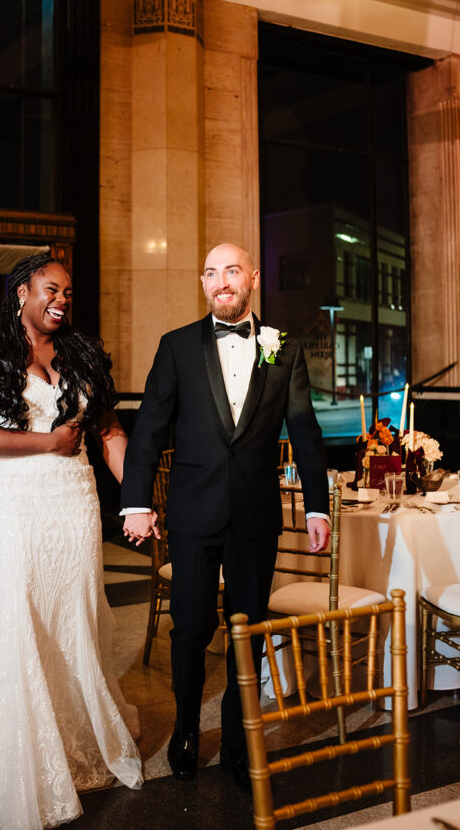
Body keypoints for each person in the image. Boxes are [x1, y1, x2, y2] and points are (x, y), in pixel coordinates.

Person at [120, 242, 330, 790]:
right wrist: (137, 502)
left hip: (256, 515)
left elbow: (304, 431)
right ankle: (186, 731)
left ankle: (239, 739)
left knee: (248, 628)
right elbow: (149, 430)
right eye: (210, 274)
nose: (220, 282)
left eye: (231, 271)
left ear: (252, 278)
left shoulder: (281, 346)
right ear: (203, 283)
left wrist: (316, 506)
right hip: (192, 512)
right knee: (190, 629)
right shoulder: (177, 346)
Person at [0, 252, 143, 830]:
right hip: (8, 499)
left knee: (71, 614)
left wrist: (137, 492)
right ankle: (19, 762)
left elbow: (108, 429)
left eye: (67, 292)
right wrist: (45, 444)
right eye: (50, 289)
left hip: (73, 499)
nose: (61, 300)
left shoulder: (81, 355)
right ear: (21, 293)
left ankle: (69, 737)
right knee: (17, 613)